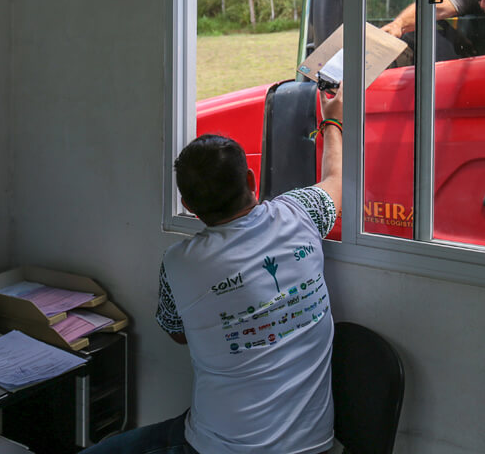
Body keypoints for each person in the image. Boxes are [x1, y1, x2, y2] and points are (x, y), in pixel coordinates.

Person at [82, 88, 343, 454]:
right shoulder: (301, 214)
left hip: (217, 445)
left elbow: (178, 333)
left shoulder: (179, 263)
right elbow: (335, 181)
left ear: (188, 206)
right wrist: (333, 120)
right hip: (311, 445)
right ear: (251, 180)